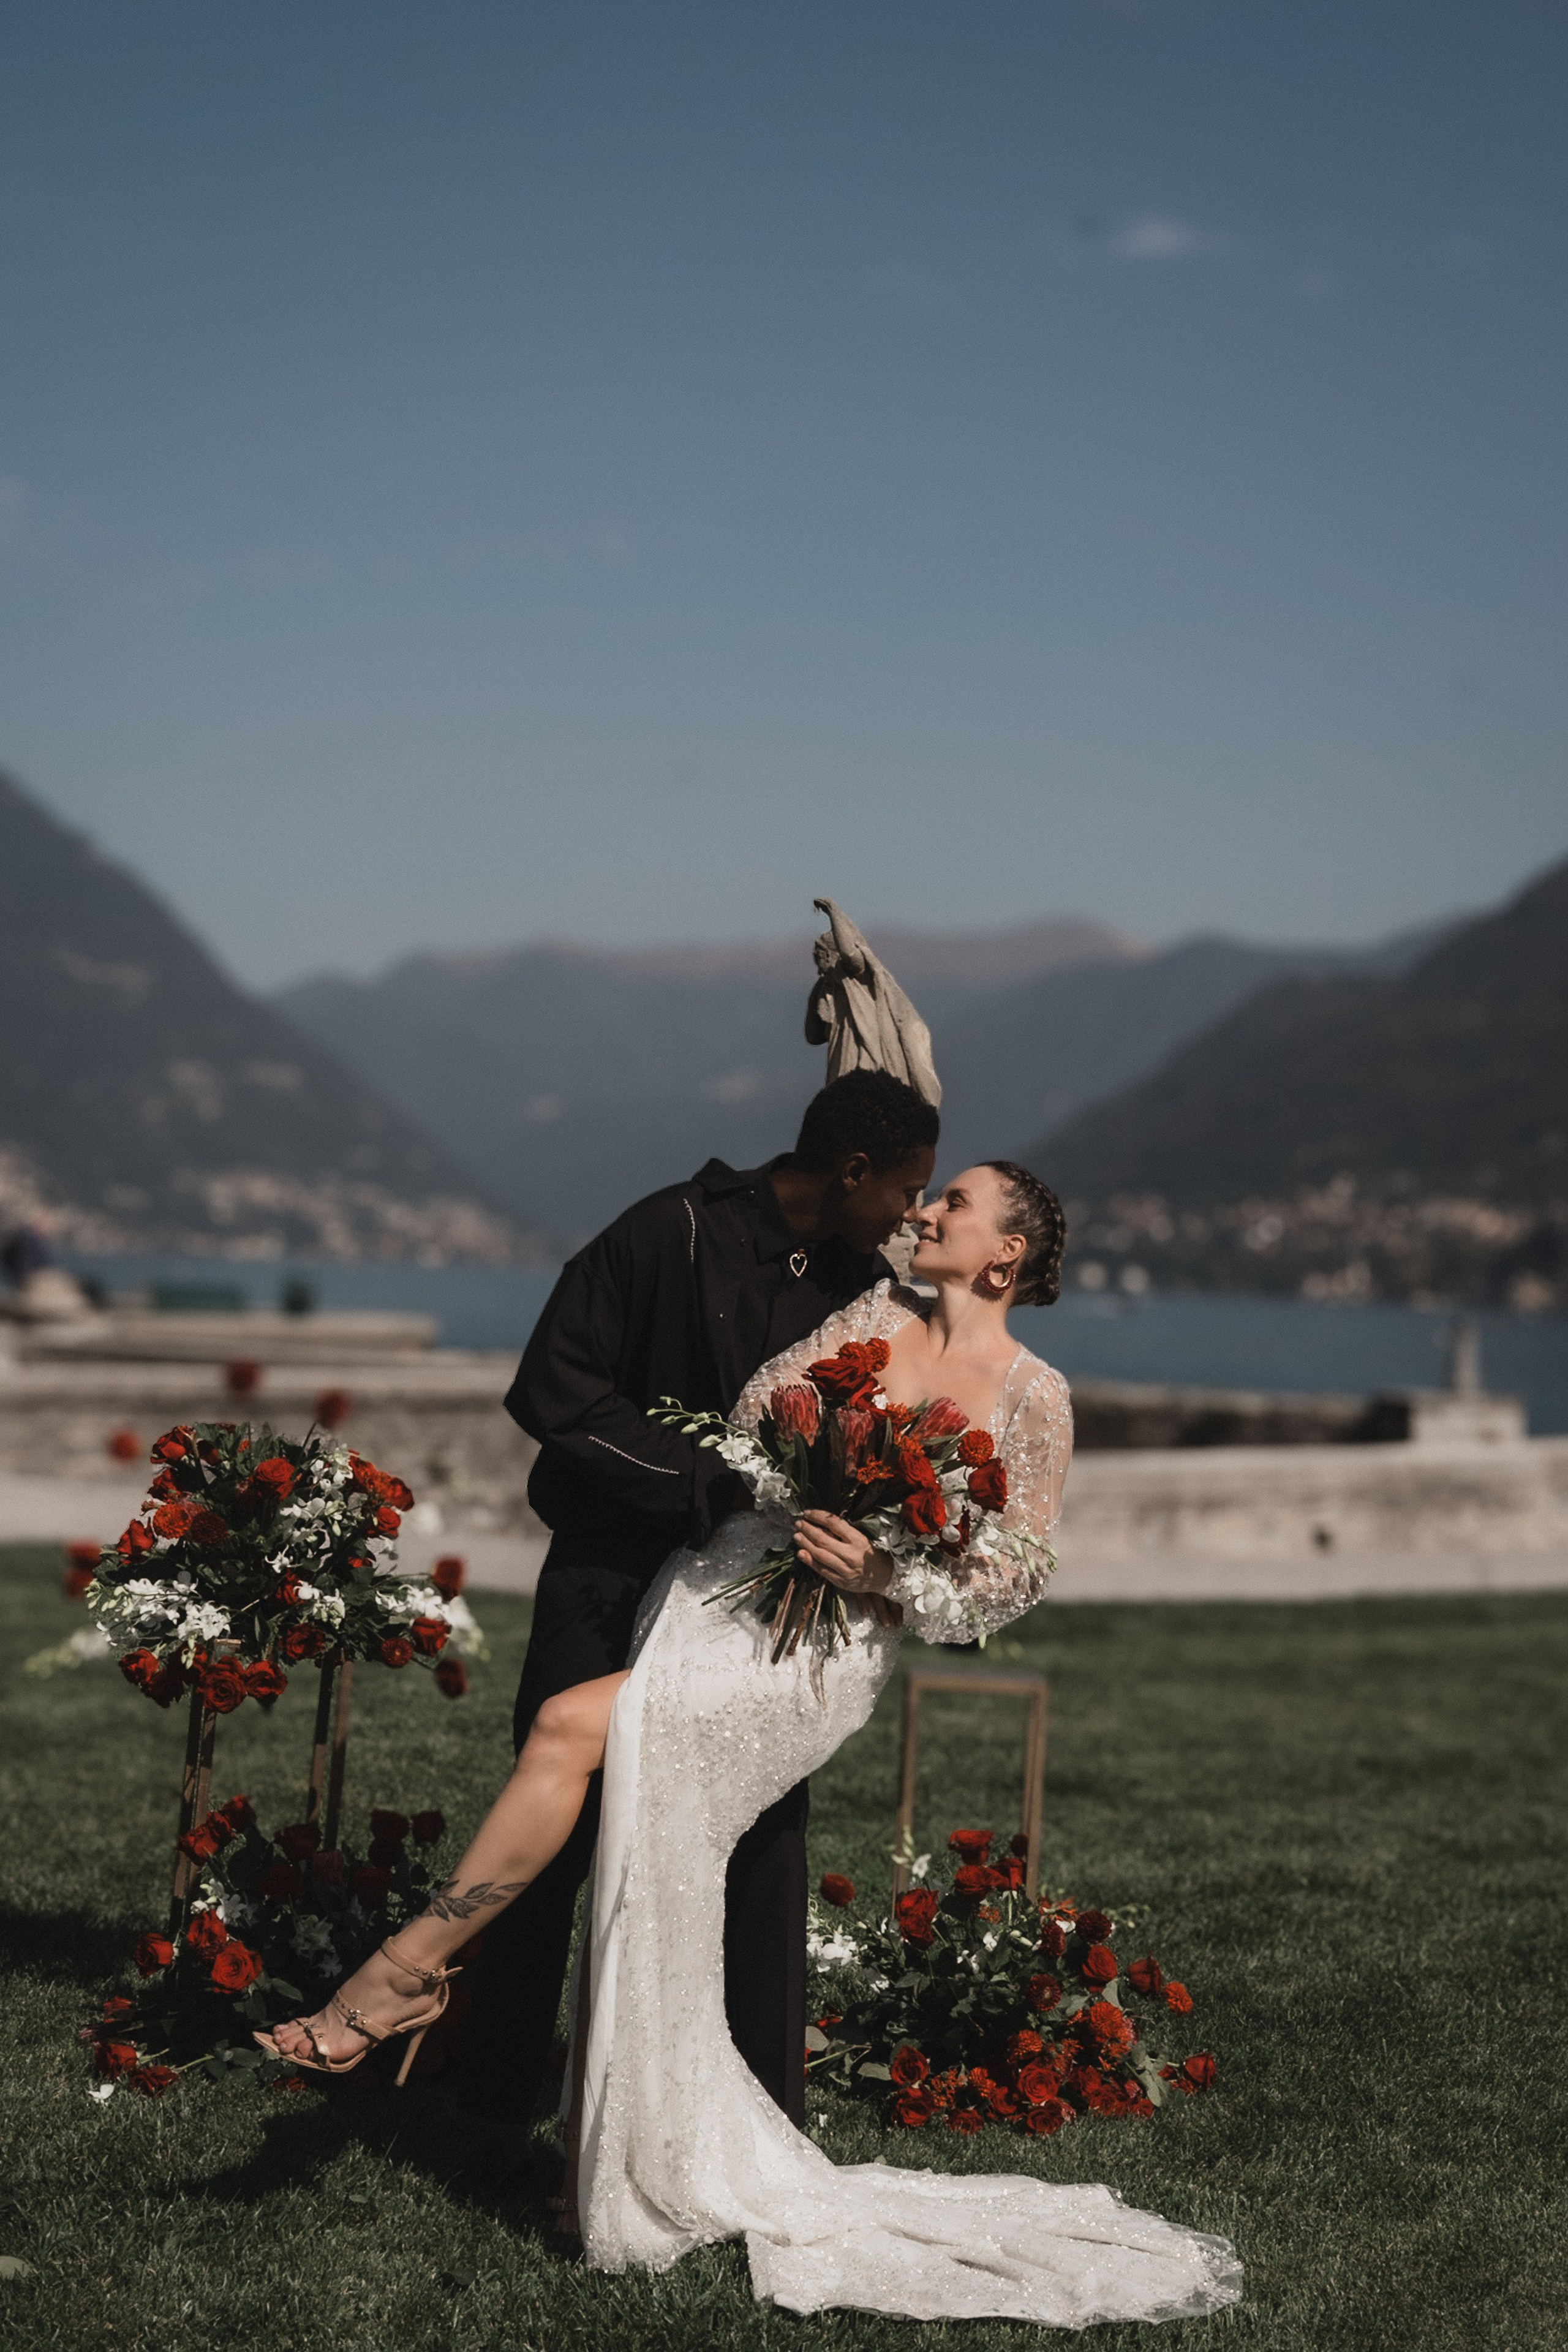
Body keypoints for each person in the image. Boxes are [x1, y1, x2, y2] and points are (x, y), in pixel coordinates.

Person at [263, 1162, 1243, 2328]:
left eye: (956, 1204)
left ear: (1005, 1257)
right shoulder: (871, 1319)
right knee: (632, 1826)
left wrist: (885, 1564)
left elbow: (1013, 1577)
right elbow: (752, 1423)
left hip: (822, 1649)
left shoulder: (1037, 1396)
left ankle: (401, 1980)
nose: (925, 1211)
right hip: (720, 1590)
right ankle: (606, 2148)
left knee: (576, 1728)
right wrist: (818, 1466)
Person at [461, 1070, 939, 2168]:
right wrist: (706, 1479)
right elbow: (553, 1388)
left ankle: (761, 2126)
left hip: (744, 1612)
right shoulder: (667, 1231)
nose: (914, 1214)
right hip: (605, 1571)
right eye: (905, 1188)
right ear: (852, 1172)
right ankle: (492, 2106)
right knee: (559, 1830)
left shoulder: (870, 1290)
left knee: (763, 1845)